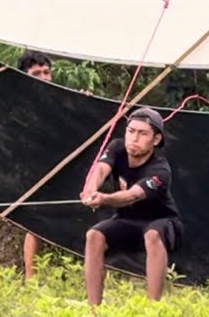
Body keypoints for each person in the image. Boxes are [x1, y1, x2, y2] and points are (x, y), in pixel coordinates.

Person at [79, 107, 182, 306]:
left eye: (142, 133)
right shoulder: (117, 148)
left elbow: (132, 196)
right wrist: (90, 189)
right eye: (131, 131)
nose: (134, 138)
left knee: (152, 234)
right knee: (94, 236)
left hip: (164, 222)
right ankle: (93, 309)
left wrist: (103, 198)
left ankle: (153, 308)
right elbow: (100, 170)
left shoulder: (160, 169)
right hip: (128, 221)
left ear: (156, 139)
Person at [16, 49, 53, 280]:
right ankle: (31, 278)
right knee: (34, 222)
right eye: (36, 73)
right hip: (33, 166)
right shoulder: (21, 104)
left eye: (47, 72)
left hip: (67, 163)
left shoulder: (63, 97)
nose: (44, 77)